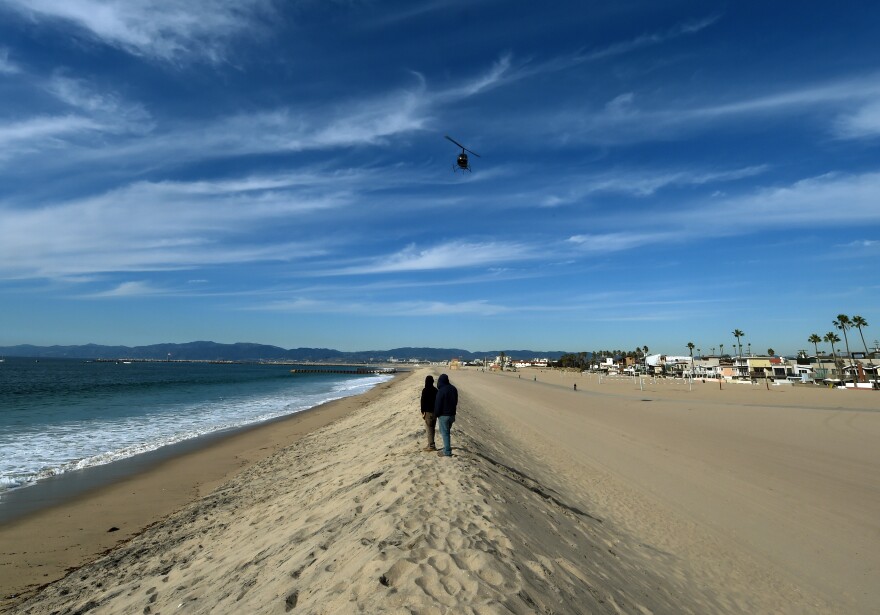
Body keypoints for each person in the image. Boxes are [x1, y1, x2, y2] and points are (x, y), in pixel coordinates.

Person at [434, 373, 458, 457]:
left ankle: (447, 451)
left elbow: (438, 404)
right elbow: (456, 402)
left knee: (445, 433)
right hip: (452, 415)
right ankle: (446, 448)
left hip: (444, 415)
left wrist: (436, 414)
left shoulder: (441, 391)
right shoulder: (454, 389)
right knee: (446, 432)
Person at [420, 375, 438, 451]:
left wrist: (422, 411)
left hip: (428, 412)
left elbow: (422, 401)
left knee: (429, 429)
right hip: (435, 412)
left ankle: (431, 445)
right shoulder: (436, 390)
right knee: (432, 428)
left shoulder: (425, 390)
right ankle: (431, 443)